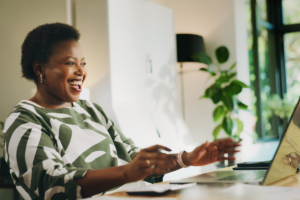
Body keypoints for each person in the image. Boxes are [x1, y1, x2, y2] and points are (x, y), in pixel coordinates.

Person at [3, 23, 240, 200]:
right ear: (39, 69)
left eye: (82, 63)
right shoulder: (24, 120)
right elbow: (51, 184)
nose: (80, 71)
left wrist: (186, 159)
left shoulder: (91, 110)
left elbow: (134, 159)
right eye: (69, 63)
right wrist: (128, 173)